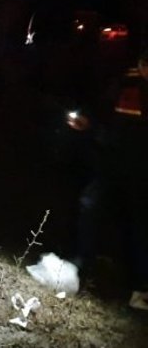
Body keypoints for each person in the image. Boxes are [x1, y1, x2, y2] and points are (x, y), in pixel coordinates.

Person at [68, 48, 148, 311]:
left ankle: (141, 289)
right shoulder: (125, 80)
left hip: (142, 170)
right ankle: (80, 271)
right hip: (111, 162)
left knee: (139, 225)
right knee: (90, 207)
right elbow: (103, 110)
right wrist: (87, 122)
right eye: (144, 64)